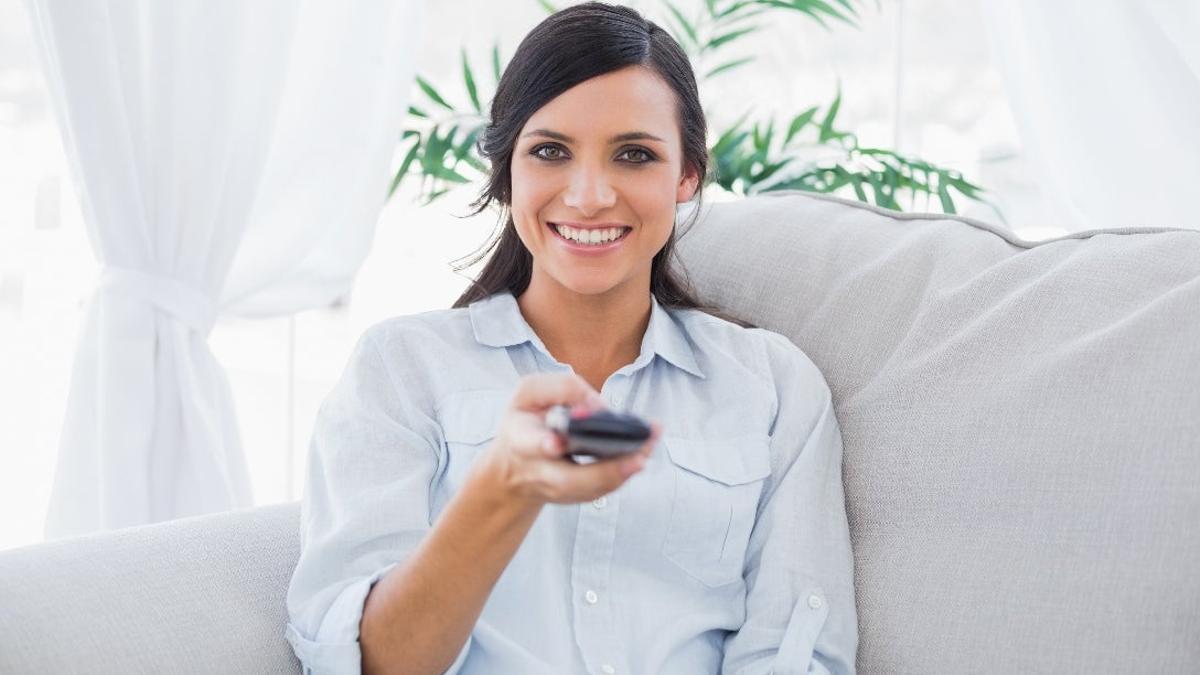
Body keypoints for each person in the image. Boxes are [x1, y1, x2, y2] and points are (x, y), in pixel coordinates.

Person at [284, 3, 858, 673]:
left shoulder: (774, 389)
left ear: (686, 177)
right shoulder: (402, 372)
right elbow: (372, 662)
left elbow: (796, 653)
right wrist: (501, 489)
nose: (588, 196)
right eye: (550, 151)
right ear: (507, 172)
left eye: (634, 155)